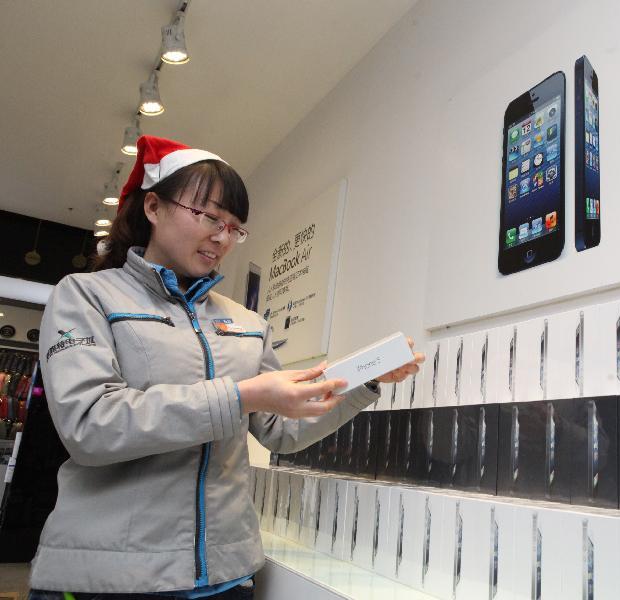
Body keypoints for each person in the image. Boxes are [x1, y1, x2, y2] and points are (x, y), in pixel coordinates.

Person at [29, 136, 424, 599]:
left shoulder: (248, 322)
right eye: (210, 217)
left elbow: (280, 432)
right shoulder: (85, 295)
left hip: (226, 575)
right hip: (112, 579)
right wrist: (243, 395)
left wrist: (363, 380)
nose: (222, 237)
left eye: (235, 228)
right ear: (153, 207)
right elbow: (91, 425)